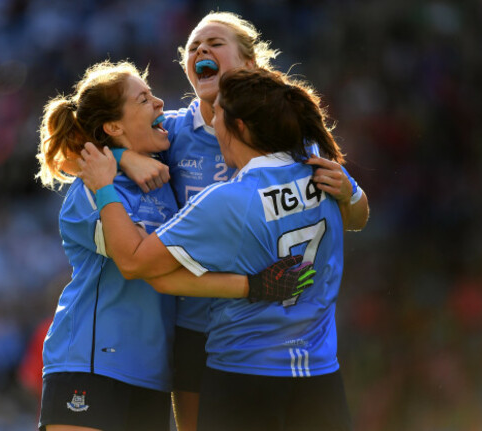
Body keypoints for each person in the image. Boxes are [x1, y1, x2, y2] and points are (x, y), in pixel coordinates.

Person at [109, 11, 369, 431]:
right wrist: (124, 155)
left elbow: (355, 218)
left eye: (214, 43)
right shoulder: (170, 132)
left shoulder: (291, 133)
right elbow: (79, 147)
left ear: (250, 63)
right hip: (197, 322)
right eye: (193, 47)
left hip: (269, 331)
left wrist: (349, 193)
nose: (201, 51)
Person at [36, 60, 314, 431]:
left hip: (152, 376)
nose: (159, 104)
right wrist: (251, 286)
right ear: (114, 126)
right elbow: (141, 262)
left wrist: (124, 156)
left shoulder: (162, 179)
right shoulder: (92, 190)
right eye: (143, 99)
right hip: (89, 365)